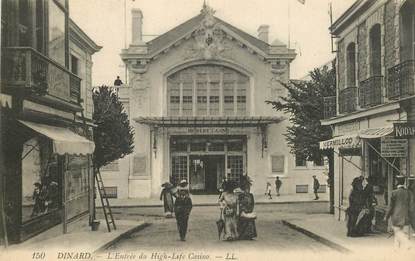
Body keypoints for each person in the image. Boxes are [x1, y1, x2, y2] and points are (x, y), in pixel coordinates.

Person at [385, 178, 411, 249]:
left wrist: (386, 217)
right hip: (406, 217)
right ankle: (405, 250)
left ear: (397, 182)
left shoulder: (394, 192)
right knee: (405, 233)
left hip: (396, 217)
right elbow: (411, 207)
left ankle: (397, 250)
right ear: (403, 182)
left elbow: (390, 207)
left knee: (397, 234)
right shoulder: (408, 192)